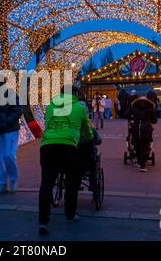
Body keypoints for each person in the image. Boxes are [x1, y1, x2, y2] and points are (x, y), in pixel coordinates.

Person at [38, 85, 93, 235]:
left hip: (47, 146)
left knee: (46, 183)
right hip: (68, 147)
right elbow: (87, 130)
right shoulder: (79, 108)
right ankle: (70, 214)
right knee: (72, 183)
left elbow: (50, 121)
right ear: (75, 94)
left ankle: (43, 221)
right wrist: (89, 138)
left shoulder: (50, 106)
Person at [0, 82, 23, 195]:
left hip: (11, 129)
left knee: (8, 155)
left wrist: (7, 121)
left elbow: (17, 110)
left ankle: (13, 180)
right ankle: (1, 183)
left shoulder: (11, 94)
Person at [125, 96, 157, 172]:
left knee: (137, 145)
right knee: (144, 146)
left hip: (135, 128)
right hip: (146, 129)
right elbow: (154, 121)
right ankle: (142, 165)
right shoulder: (150, 110)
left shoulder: (133, 109)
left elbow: (126, 115)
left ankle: (139, 162)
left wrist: (132, 118)